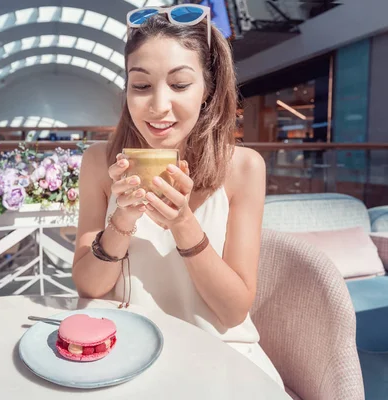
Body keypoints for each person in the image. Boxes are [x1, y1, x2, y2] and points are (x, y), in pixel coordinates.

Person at [71, 4, 284, 388]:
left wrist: (184, 223)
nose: (158, 105)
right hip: (124, 356)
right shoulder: (97, 163)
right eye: (141, 85)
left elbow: (234, 311)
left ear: (208, 90)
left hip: (220, 356)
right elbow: (88, 286)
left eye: (180, 84)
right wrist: (121, 219)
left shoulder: (244, 168)